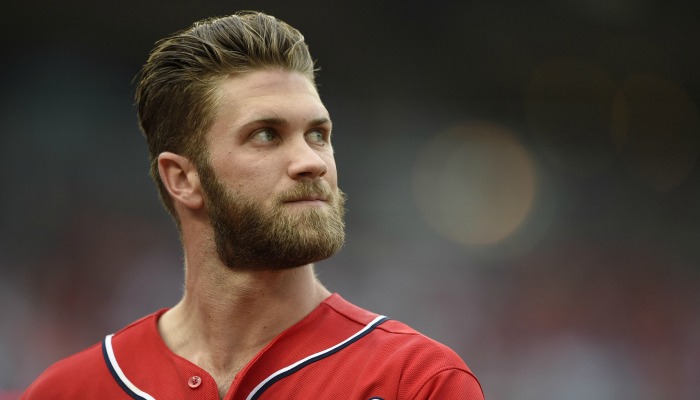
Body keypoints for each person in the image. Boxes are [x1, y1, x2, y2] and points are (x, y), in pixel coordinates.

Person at [22, 11, 484, 400]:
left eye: (318, 135)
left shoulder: (417, 381)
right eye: (266, 134)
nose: (311, 162)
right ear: (183, 179)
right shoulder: (69, 390)